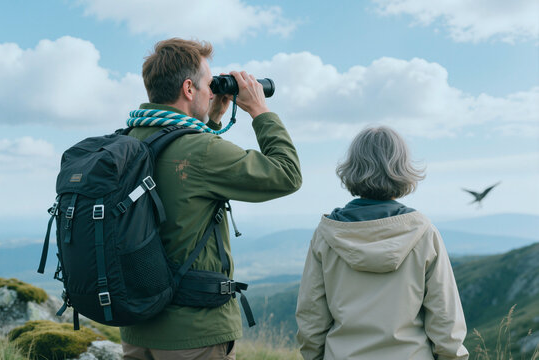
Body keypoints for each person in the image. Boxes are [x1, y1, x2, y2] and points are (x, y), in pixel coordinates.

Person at [120, 38, 302, 359]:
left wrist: (213, 119)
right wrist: (260, 110)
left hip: (137, 328)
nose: (211, 91)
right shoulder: (201, 151)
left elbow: (183, 169)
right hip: (194, 334)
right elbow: (287, 173)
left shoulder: (126, 142)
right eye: (208, 84)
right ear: (189, 89)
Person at [295, 126, 468, 360]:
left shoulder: (326, 234)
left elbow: (311, 318)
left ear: (352, 168)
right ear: (402, 168)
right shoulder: (423, 232)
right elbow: (446, 322)